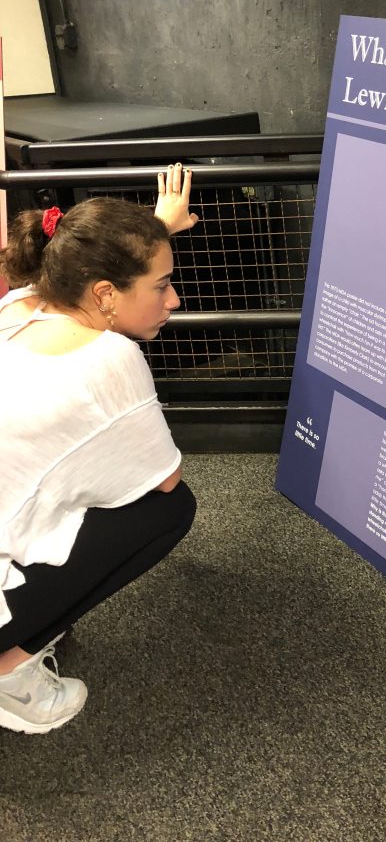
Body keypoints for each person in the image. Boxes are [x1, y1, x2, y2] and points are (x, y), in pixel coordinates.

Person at [0, 164, 199, 734]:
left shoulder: (18, 305)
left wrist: (154, 232)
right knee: (170, 508)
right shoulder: (109, 359)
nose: (174, 300)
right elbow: (164, 478)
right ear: (105, 292)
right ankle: (11, 669)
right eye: (161, 285)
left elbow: (82, 271)